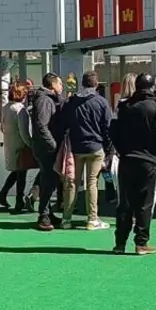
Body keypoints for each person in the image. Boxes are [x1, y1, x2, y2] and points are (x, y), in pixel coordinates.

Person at [110, 73, 156, 255]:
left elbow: (113, 130)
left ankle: (119, 243)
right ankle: (141, 243)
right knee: (145, 203)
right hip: (149, 162)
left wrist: (122, 150)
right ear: (152, 88)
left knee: (125, 203)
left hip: (127, 160)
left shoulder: (123, 107)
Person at [54, 70, 113, 230]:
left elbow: (63, 123)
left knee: (71, 183)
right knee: (92, 182)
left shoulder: (71, 102)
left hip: (76, 146)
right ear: (96, 83)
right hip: (96, 146)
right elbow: (107, 126)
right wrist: (108, 148)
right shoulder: (101, 102)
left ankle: (66, 219)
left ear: (82, 83)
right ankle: (92, 218)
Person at [27, 73, 65, 232]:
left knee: (49, 179)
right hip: (46, 148)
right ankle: (43, 215)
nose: (62, 87)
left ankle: (48, 212)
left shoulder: (46, 98)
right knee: (49, 180)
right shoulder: (45, 100)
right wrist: (53, 145)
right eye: (60, 83)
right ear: (53, 85)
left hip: (45, 146)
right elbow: (42, 126)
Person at [0, 83, 33, 213]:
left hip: (10, 142)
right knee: (21, 173)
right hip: (20, 145)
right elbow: (24, 132)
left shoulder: (6, 107)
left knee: (16, 172)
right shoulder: (20, 110)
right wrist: (31, 144)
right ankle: (19, 201)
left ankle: (3, 195)